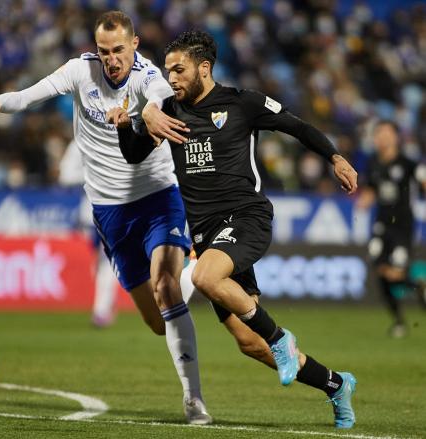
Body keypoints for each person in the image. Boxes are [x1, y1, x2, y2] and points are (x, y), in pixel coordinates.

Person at [0, 11, 211, 424]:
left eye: (119, 50)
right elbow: (32, 94)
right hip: (109, 212)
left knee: (166, 286)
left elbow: (157, 97)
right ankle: (197, 273)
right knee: (157, 321)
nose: (111, 59)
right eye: (104, 51)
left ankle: (193, 401)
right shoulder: (80, 71)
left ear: (134, 45)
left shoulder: (147, 76)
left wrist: (152, 111)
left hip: (157, 198)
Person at [110, 30, 358, 428]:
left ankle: (282, 340)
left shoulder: (243, 102)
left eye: (179, 69)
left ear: (204, 68)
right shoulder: (168, 110)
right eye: (168, 69)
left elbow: (298, 127)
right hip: (208, 234)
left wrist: (336, 157)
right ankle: (336, 385)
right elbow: (134, 153)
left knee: (207, 277)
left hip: (246, 218)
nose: (171, 77)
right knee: (249, 342)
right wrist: (125, 125)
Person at [356, 120, 426, 338]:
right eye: (378, 134)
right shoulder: (373, 163)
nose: (382, 138)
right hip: (381, 225)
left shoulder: (408, 163)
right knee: (381, 272)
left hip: (402, 227)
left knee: (395, 273)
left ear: (396, 137)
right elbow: (370, 191)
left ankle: (418, 289)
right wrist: (363, 201)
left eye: (386, 133)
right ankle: (400, 320)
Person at [58, 139, 119, 328]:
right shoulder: (79, 143)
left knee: (108, 261)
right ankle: (103, 307)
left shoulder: (117, 135)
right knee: (102, 263)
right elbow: (65, 176)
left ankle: (102, 310)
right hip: (93, 211)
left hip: (119, 207)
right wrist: (96, 172)